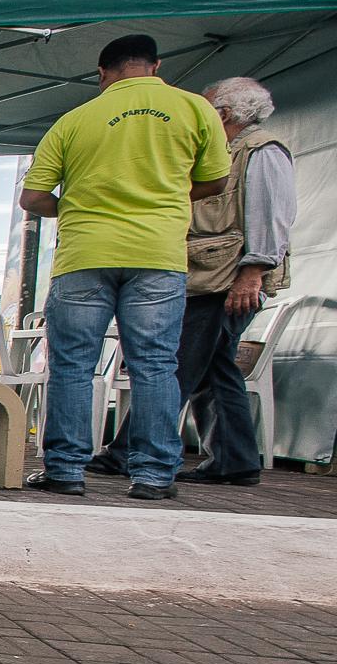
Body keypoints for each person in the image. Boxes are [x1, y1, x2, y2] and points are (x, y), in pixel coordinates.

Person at [19, 34, 229, 500]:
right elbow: (215, 179)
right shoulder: (196, 109)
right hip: (157, 256)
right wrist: (168, 198)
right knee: (154, 365)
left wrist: (73, 205)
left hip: (84, 256)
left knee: (72, 366)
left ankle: (65, 472)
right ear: (155, 66)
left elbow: (33, 197)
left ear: (103, 73)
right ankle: (154, 477)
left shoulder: (75, 119)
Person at [87, 76, 294, 487]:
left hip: (228, 278)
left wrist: (252, 272)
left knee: (175, 364)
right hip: (210, 274)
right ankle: (235, 460)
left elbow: (272, 217)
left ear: (223, 114)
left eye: (204, 108)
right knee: (216, 369)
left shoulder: (261, 150)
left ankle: (130, 451)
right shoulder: (226, 151)